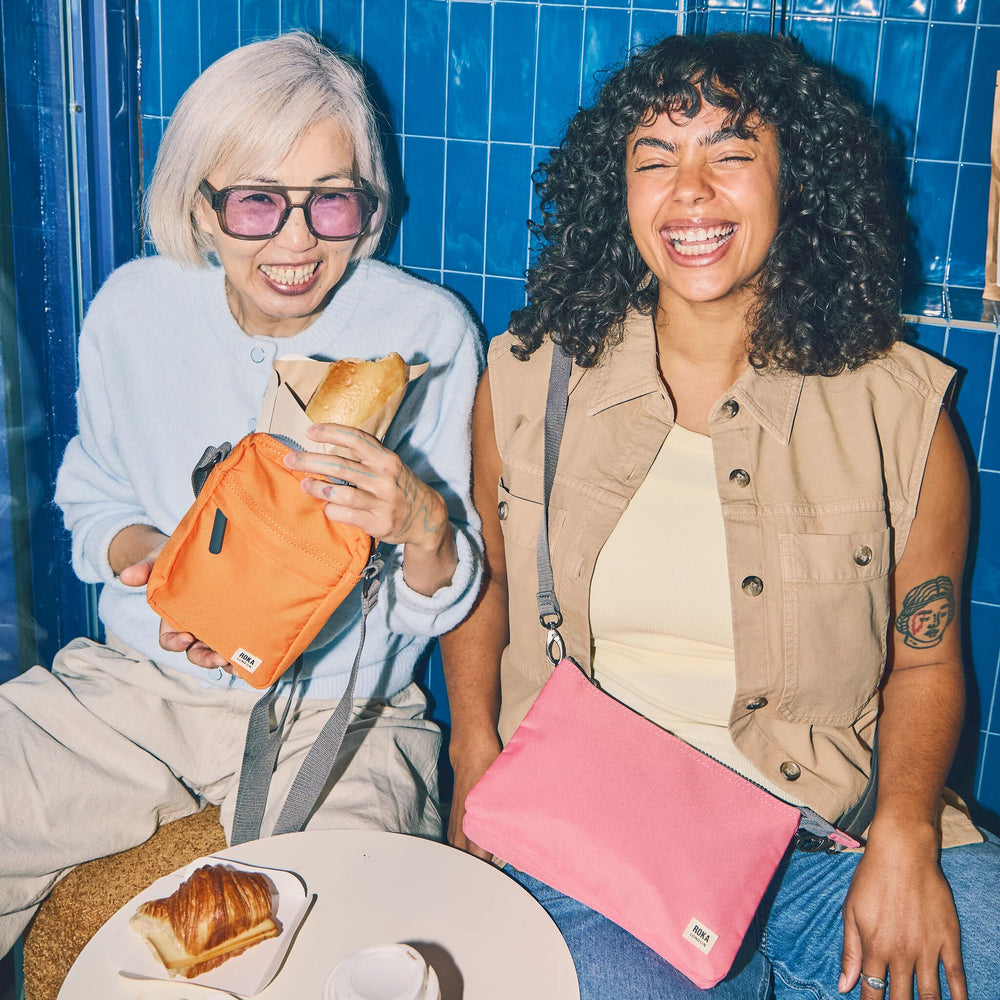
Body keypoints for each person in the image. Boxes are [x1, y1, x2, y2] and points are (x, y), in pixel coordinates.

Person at [440, 31, 999, 1000]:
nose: (689, 192)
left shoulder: (899, 413)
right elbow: (478, 578)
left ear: (796, 181)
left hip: (831, 839)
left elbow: (925, 659)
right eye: (654, 159)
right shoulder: (528, 378)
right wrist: (470, 752)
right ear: (617, 191)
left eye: (730, 154)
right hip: (602, 839)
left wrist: (905, 833)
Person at [0, 31, 483, 958]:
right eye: (257, 201)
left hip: (343, 715)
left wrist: (424, 526)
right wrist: (157, 565)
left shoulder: (424, 333)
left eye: (330, 200)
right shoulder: (133, 311)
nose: (296, 241)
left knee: (345, 941)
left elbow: (438, 601)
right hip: (137, 691)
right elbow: (94, 495)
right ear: (202, 204)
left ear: (366, 204)